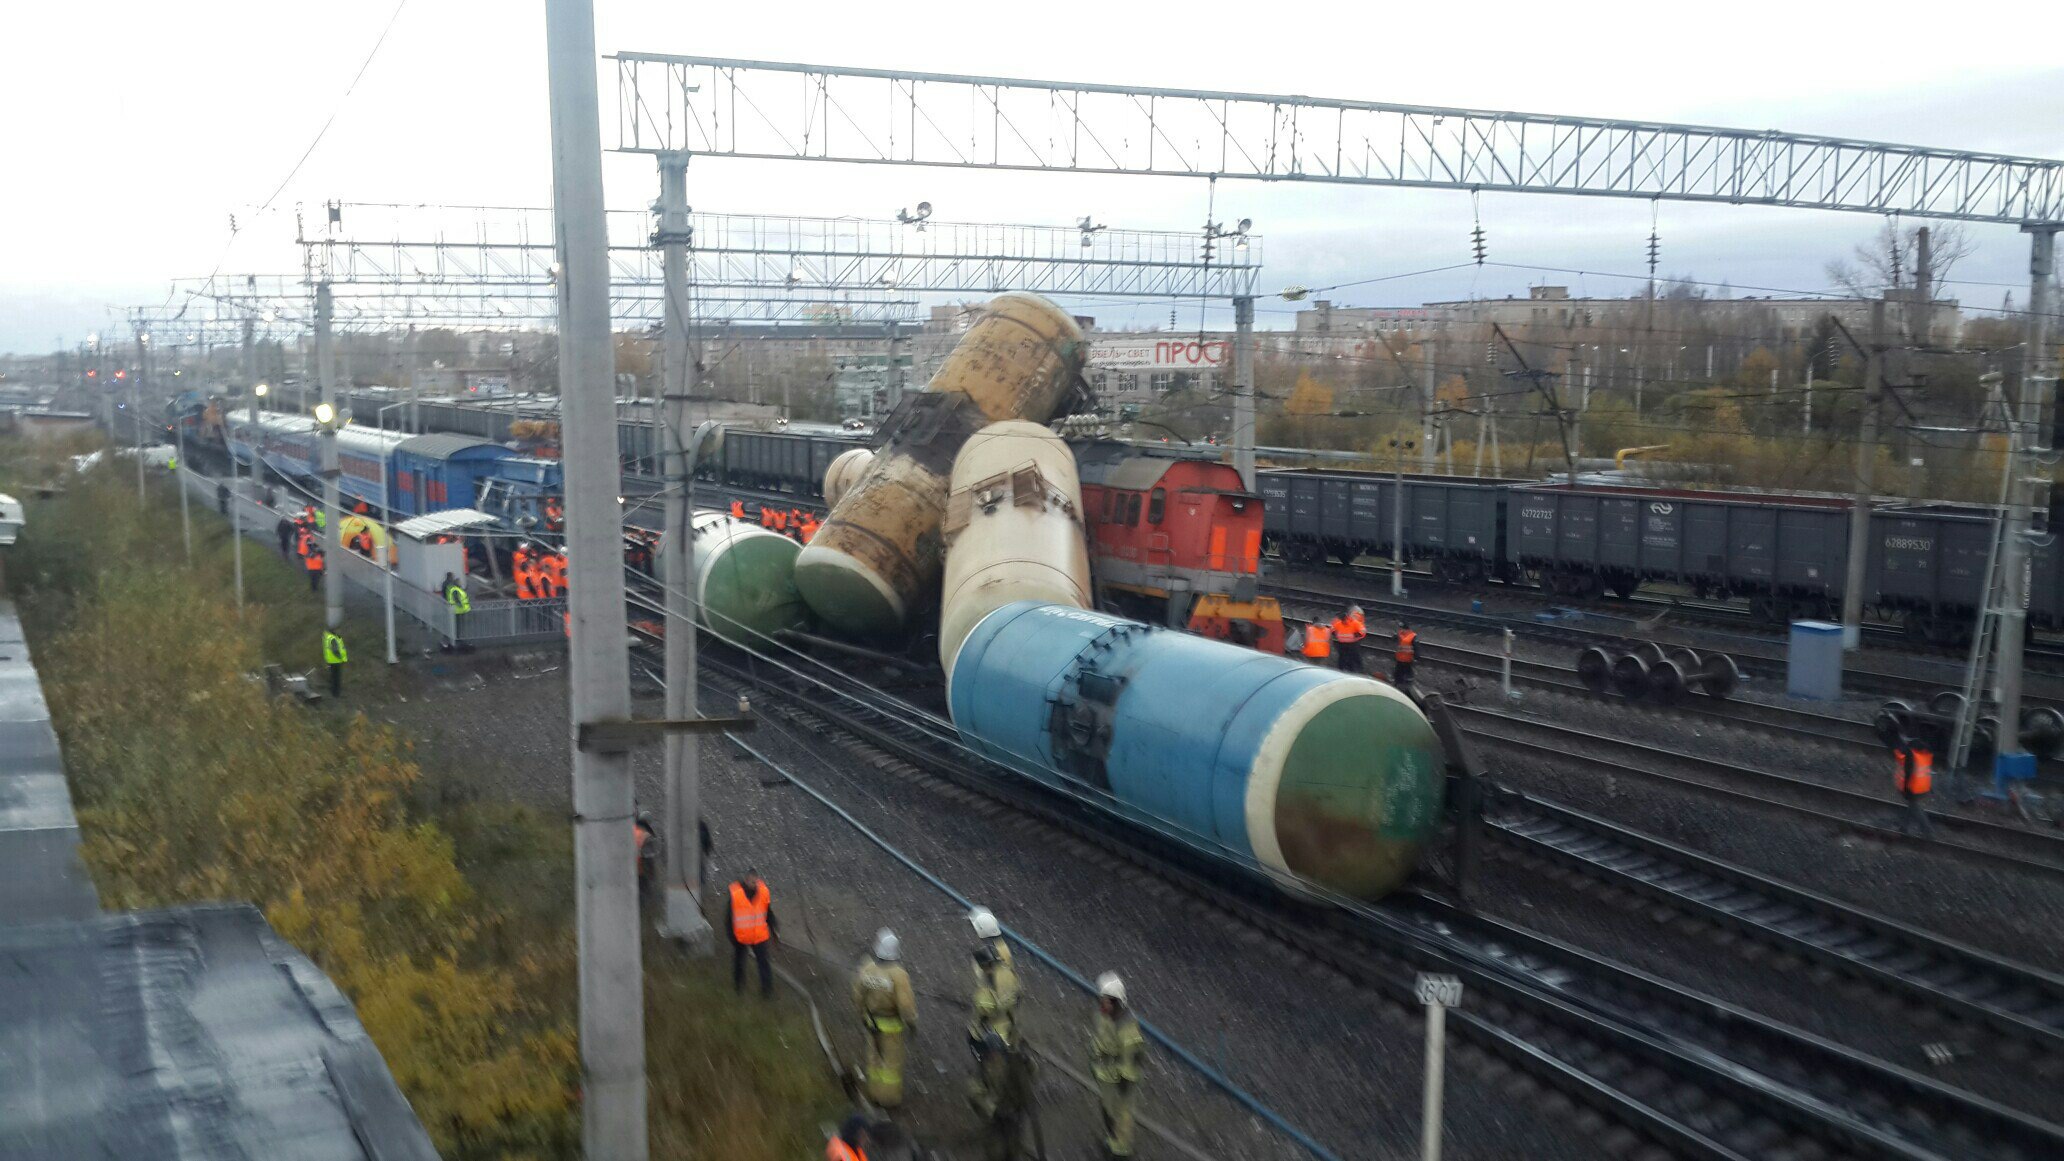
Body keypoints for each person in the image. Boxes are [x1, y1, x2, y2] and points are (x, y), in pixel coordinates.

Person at [852, 929, 917, 1108]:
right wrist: (911, 1023)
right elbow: (905, 1005)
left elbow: (857, 995)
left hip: (871, 1023)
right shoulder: (899, 975)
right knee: (891, 1065)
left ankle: (873, 1094)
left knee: (873, 1060)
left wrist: (862, 1014)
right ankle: (888, 1099)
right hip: (891, 1028)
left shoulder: (867, 969)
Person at [1090, 972, 1145, 1159]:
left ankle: (1121, 1150)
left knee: (1121, 1115)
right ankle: (1112, 1140)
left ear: (1115, 1002)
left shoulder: (1128, 1029)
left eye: (1105, 1000)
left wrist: (1123, 1083)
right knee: (1108, 1110)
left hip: (1118, 1082)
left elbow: (1130, 1065)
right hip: (1107, 1076)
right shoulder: (1107, 1016)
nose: (1101, 1003)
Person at [971, 1032, 1039, 1161]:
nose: (995, 1055)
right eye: (992, 1052)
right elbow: (975, 1093)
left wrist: (1028, 1061)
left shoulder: (1013, 1061)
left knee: (1013, 1151)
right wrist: (993, 1110)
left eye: (997, 1051)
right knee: (995, 1153)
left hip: (1015, 1116)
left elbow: (1034, 1073)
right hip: (996, 1120)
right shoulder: (983, 1068)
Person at [726, 868, 777, 998]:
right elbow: (728, 917)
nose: (755, 885)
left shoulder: (763, 892)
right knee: (739, 964)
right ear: (746, 880)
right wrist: (731, 936)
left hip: (759, 936)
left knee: (764, 963)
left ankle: (767, 992)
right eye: (752, 882)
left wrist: (774, 928)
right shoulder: (736, 894)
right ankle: (739, 990)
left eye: (756, 882)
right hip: (740, 937)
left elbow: (768, 913)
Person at [1894, 739, 1935, 837]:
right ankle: (1904, 827)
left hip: (1913, 787)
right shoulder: (1924, 754)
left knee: (1915, 808)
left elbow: (1908, 773)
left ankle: (1928, 831)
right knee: (1912, 805)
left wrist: (1905, 788)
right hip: (1923, 786)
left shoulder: (1910, 755)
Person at [1331, 604, 1367, 674]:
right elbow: (1332, 628)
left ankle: (1352, 670)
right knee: (1343, 658)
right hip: (1343, 644)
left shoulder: (1354, 623)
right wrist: (1334, 633)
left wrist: (1357, 635)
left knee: (1352, 658)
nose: (1343, 621)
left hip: (1352, 643)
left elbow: (1362, 630)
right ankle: (1344, 670)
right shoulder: (1339, 623)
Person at [633, 812, 658, 907]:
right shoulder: (646, 836)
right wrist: (652, 875)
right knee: (645, 902)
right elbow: (648, 858)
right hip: (641, 872)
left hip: (628, 873)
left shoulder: (631, 830)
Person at [1393, 621, 1417, 692]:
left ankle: (1407, 686)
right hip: (1400, 658)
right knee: (1398, 672)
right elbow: (1395, 638)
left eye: (1401, 628)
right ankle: (1398, 684)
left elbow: (1416, 647)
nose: (1400, 630)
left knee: (1407, 672)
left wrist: (1416, 657)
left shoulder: (1412, 636)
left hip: (1408, 659)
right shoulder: (1400, 634)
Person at [322, 629, 347, 698]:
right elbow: (335, 650)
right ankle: (336, 694)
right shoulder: (333, 639)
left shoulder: (328, 637)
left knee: (333, 677)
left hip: (331, 661)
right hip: (336, 661)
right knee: (336, 678)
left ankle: (333, 693)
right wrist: (341, 658)